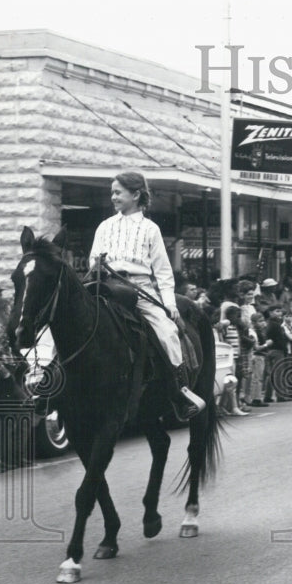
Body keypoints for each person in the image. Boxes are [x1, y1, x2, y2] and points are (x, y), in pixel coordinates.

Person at [88, 171, 205, 421]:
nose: (113, 197)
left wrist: (170, 305)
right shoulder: (104, 226)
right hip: (106, 285)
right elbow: (92, 258)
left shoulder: (150, 229)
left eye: (118, 192)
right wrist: (97, 267)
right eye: (112, 192)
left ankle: (179, 393)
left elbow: (162, 271)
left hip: (139, 289)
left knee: (168, 333)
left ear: (136, 194)